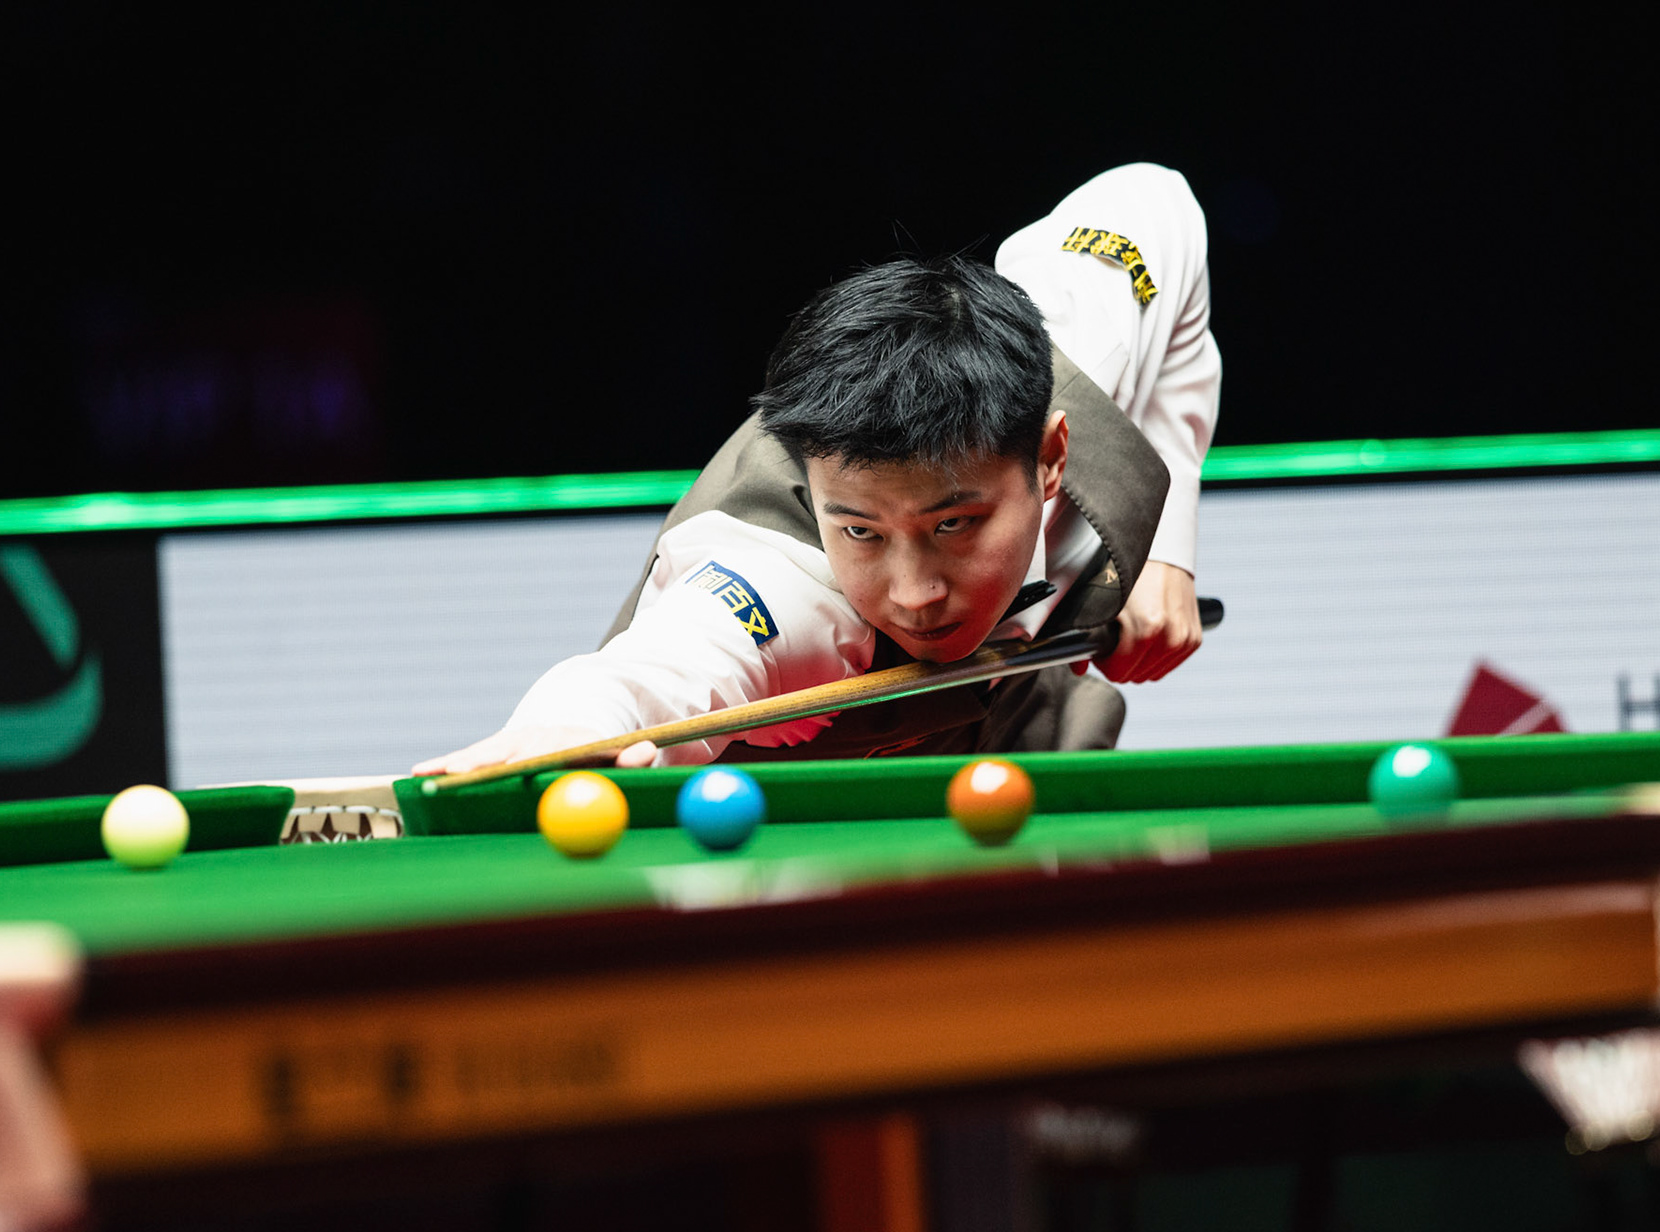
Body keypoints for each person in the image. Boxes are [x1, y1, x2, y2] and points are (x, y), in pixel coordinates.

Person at [415, 162, 1221, 776]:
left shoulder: (1083, 330)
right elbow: (658, 670)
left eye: (953, 525)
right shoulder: (773, 580)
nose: (914, 592)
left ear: (1048, 457)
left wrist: (1167, 548)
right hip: (793, 819)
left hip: (1022, 729)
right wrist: (564, 729)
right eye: (862, 531)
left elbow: (1157, 201)